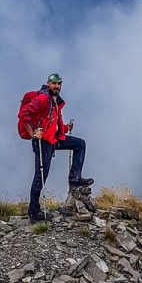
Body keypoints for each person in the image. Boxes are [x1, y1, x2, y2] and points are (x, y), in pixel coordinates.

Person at [19, 73, 93, 222]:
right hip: (43, 143)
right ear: (48, 84)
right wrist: (33, 133)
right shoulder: (43, 98)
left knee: (80, 144)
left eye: (59, 84)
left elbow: (53, 125)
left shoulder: (54, 101)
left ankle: (75, 178)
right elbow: (24, 113)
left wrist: (66, 128)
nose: (57, 86)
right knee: (40, 178)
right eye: (54, 83)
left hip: (53, 140)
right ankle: (34, 212)